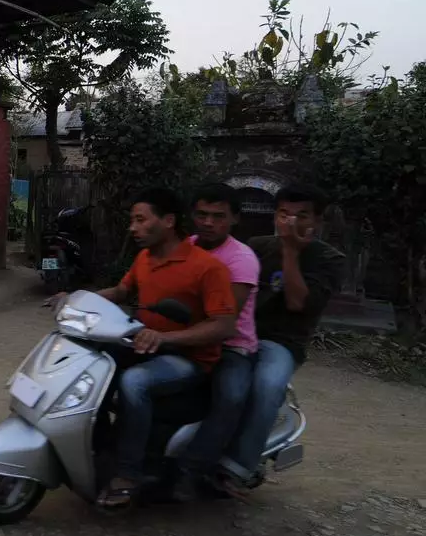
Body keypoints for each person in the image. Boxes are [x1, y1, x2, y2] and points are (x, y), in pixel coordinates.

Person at [91, 187, 236, 511]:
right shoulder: (144, 258)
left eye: (140, 220)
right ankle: (100, 447)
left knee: (135, 382)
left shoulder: (206, 268)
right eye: (133, 220)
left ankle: (129, 474)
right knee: (91, 362)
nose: (133, 228)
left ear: (168, 221)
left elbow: (224, 325)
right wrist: (74, 298)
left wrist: (165, 338)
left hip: (189, 358)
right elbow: (121, 290)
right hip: (147, 345)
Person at [217, 183, 344, 494]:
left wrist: (290, 250)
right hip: (239, 332)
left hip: (283, 342)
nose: (291, 222)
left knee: (267, 386)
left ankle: (237, 467)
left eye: (302, 216)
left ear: (317, 221)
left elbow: (298, 303)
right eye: (284, 214)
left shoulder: (328, 258)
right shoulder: (258, 245)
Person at [171, 183, 261, 501]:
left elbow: (225, 322)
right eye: (202, 215)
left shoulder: (241, 259)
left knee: (232, 396)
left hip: (231, 346)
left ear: (234, 218)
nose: (209, 223)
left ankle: (192, 470)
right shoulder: (186, 246)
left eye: (218, 216)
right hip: (189, 337)